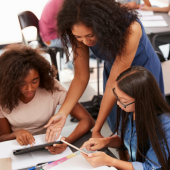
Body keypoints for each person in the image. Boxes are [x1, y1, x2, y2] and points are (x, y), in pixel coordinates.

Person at [44, 0, 164, 143]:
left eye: (90, 35)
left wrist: (97, 129)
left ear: (102, 25)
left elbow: (113, 83)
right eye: (78, 37)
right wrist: (62, 113)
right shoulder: (78, 31)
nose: (85, 42)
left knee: (144, 131)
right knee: (119, 129)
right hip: (113, 71)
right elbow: (81, 76)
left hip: (142, 72)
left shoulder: (131, 28)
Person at [0, 44, 94, 155]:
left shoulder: (51, 87)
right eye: (22, 83)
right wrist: (16, 134)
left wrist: (66, 142)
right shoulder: (3, 96)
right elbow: (2, 137)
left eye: (35, 81)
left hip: (46, 146)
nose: (29, 89)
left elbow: (87, 120)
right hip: (16, 148)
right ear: (10, 81)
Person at [81, 66, 170, 170]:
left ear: (142, 101)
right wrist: (105, 141)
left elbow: (150, 167)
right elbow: (127, 139)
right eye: (117, 97)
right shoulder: (130, 111)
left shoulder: (164, 125)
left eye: (124, 101)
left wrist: (110, 161)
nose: (118, 103)